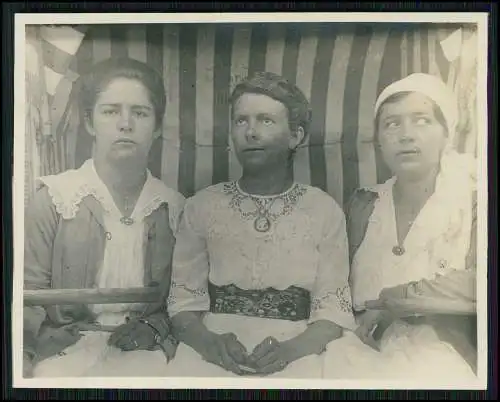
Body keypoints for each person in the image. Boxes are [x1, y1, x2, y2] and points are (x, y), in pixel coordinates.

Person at [164, 72, 356, 378]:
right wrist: (209, 344)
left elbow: (333, 310)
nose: (250, 132)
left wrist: (290, 351)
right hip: (214, 346)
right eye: (241, 121)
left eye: (266, 120)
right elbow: (183, 302)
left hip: (298, 347)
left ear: (296, 135)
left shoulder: (323, 210)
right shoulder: (202, 206)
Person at [23, 57, 185, 378]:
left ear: (156, 128)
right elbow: (27, 296)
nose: (125, 124)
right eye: (110, 111)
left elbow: (184, 303)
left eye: (140, 113)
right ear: (89, 123)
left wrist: (153, 330)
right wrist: (25, 357)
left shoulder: (174, 208)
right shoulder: (55, 199)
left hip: (146, 353)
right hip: (60, 352)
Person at [324, 73, 478, 381]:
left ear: (446, 135)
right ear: (379, 140)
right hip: (358, 347)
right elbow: (334, 282)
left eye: (421, 120)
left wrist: (392, 303)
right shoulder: (364, 204)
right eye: (392, 124)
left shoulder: (472, 201)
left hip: (444, 352)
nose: (406, 135)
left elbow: (480, 282)